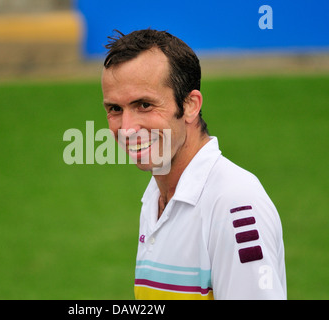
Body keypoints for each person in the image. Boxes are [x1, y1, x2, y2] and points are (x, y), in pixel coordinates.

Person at [101, 29, 286, 300]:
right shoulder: (156, 198)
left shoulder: (234, 204)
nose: (127, 129)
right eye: (115, 109)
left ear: (190, 105)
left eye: (144, 105)